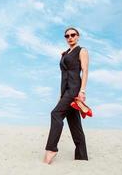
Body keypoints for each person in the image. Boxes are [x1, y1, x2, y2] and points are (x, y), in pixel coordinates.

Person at [43, 27, 89, 164]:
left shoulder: (82, 51)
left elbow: (85, 71)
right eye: (67, 36)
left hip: (74, 89)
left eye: (73, 35)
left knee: (55, 114)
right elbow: (63, 76)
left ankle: (52, 148)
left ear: (78, 36)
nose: (70, 37)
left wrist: (82, 91)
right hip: (65, 91)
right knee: (75, 124)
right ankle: (82, 157)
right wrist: (60, 95)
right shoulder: (64, 54)